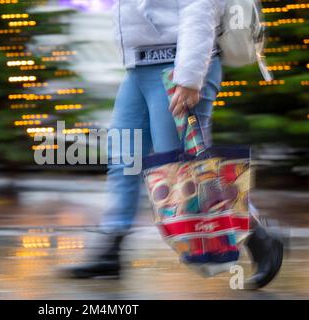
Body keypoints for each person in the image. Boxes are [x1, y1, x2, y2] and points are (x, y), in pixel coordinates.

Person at [64, 0, 283, 289]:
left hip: (177, 65)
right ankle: (110, 249)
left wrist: (190, 77)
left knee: (187, 169)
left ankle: (260, 239)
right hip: (139, 68)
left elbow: (200, 6)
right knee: (124, 160)